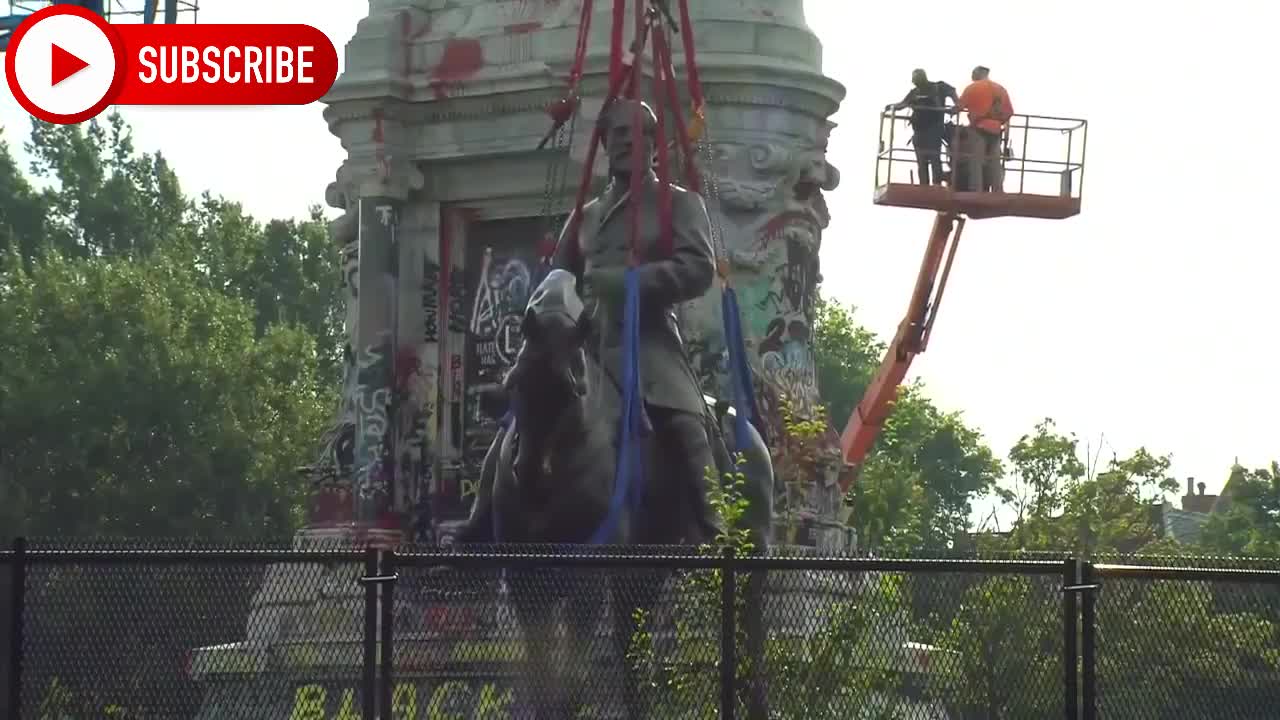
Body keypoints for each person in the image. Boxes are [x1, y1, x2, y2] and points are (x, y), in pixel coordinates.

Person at [549, 98, 723, 542]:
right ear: (605, 144)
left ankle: (717, 535)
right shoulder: (584, 217)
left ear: (653, 143)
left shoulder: (680, 204)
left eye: (637, 134)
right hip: (586, 349)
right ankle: (480, 527)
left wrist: (630, 281)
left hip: (648, 345)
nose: (627, 142)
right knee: (521, 421)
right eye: (617, 135)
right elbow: (557, 277)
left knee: (687, 426)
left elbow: (698, 268)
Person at [888, 68, 958, 186]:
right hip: (919, 131)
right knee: (922, 161)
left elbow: (951, 91)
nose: (915, 82)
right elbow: (903, 104)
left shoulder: (938, 87)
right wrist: (891, 107)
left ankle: (936, 184)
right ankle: (924, 185)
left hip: (934, 129)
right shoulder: (914, 92)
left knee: (934, 158)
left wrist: (957, 105)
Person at [958, 65, 1014, 192]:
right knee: (994, 162)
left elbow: (958, 107)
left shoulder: (972, 88)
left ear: (978, 74)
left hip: (978, 128)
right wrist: (999, 121)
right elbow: (1009, 112)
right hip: (996, 130)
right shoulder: (1000, 89)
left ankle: (976, 189)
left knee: (976, 160)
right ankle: (998, 189)